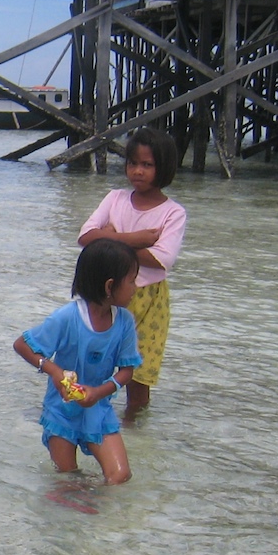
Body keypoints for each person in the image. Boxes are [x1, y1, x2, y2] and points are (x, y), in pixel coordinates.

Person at [78, 126, 187, 419]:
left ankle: (133, 429)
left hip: (149, 300)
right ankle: (83, 416)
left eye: (147, 165)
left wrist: (110, 239)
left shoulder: (173, 213)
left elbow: (161, 259)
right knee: (89, 362)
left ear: (164, 167)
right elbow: (85, 237)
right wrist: (135, 239)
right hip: (106, 294)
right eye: (133, 163)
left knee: (139, 373)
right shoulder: (115, 198)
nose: (138, 171)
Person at [13, 239, 143, 485]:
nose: (135, 288)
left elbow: (127, 371)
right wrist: (54, 371)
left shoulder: (124, 322)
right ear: (109, 286)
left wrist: (98, 392)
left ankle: (101, 506)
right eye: (131, 281)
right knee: (68, 481)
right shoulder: (66, 317)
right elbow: (22, 345)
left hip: (99, 409)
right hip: (61, 411)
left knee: (119, 476)